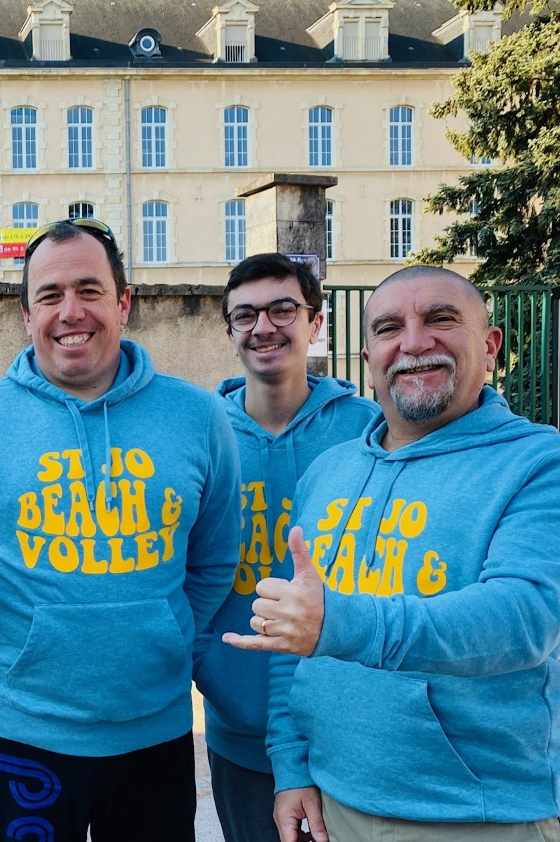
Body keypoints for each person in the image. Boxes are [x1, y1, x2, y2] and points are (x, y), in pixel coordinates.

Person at [0, 218, 241, 840]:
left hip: (153, 733)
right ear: (26, 315)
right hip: (20, 735)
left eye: (90, 290)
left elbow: (214, 563)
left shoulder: (196, 416)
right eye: (49, 295)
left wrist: (162, 634)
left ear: (123, 303)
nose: (70, 311)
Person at [227, 266, 560, 842]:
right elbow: (294, 635)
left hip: (478, 816)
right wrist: (290, 765)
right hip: (334, 804)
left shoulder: (543, 467)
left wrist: (340, 622)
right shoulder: (331, 471)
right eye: (390, 328)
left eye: (440, 320)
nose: (414, 342)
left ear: (489, 347)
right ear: (369, 356)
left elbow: (530, 616)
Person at [194, 254, 378, 842]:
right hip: (239, 724)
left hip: (353, 724)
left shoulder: (368, 428)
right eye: (244, 315)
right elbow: (180, 568)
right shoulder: (200, 432)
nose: (264, 327)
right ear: (230, 332)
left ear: (316, 321)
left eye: (282, 309)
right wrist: (209, 668)